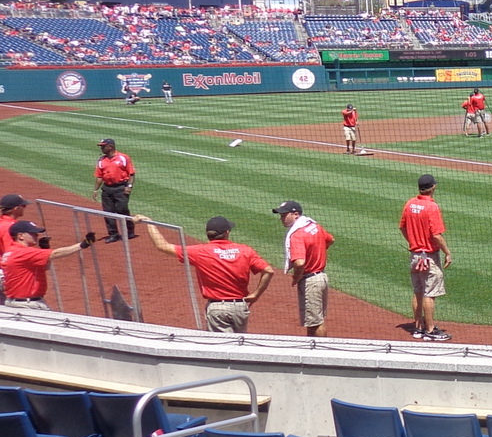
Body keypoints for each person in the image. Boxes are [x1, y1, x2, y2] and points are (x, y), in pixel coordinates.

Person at [133, 214, 272, 332]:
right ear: (227, 233)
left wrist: (149, 223)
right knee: (240, 345)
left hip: (217, 308)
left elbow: (162, 246)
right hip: (240, 308)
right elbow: (268, 271)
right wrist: (256, 294)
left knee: (223, 349)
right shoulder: (245, 250)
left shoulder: (200, 252)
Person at [400, 174, 452, 341]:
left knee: (418, 291)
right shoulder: (432, 207)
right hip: (429, 257)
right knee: (430, 293)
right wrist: (447, 252)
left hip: (415, 255)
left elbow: (402, 227)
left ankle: (418, 328)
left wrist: (414, 242)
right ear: (433, 187)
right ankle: (429, 330)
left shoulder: (410, 203)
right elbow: (436, 235)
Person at [274, 200, 335, 337]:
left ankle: (318, 353)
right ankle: (315, 351)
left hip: (310, 281)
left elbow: (300, 263)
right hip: (321, 278)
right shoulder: (314, 226)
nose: (281, 218)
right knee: (315, 320)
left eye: (284, 215)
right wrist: (317, 252)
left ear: (296, 214)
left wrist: (297, 277)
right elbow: (330, 239)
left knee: (315, 322)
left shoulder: (297, 235)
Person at [1, 221, 93, 309]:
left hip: (16, 302)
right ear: (20, 236)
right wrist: (83, 245)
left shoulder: (12, 251)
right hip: (27, 305)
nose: (36, 235)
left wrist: (44, 249)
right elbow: (55, 254)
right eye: (32, 233)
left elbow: (45, 267)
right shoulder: (23, 252)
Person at [93, 139, 137, 242]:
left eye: (103, 146)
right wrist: (95, 190)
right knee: (108, 212)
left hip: (121, 187)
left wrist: (129, 186)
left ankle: (130, 231)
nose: (101, 148)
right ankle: (113, 234)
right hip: (107, 188)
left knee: (122, 209)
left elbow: (131, 174)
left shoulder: (123, 158)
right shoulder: (101, 160)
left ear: (110, 147)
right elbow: (99, 177)